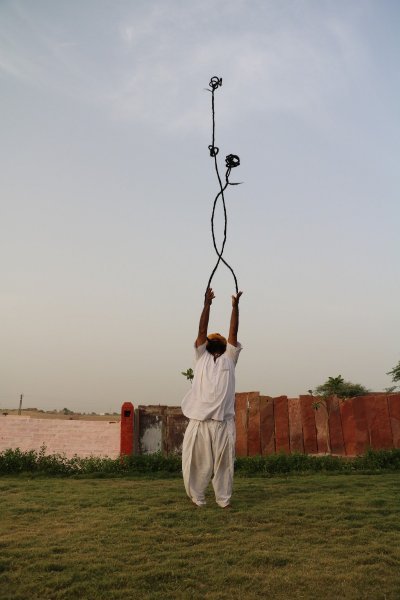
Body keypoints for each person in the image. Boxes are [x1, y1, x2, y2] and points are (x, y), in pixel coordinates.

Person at [181, 287, 243, 508]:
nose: (215, 340)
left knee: (225, 464)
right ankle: (197, 498)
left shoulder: (229, 358)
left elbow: (234, 331)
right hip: (200, 422)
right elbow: (201, 329)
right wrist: (207, 304)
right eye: (212, 339)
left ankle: (223, 500)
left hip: (223, 423)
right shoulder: (201, 357)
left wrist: (235, 308)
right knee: (196, 464)